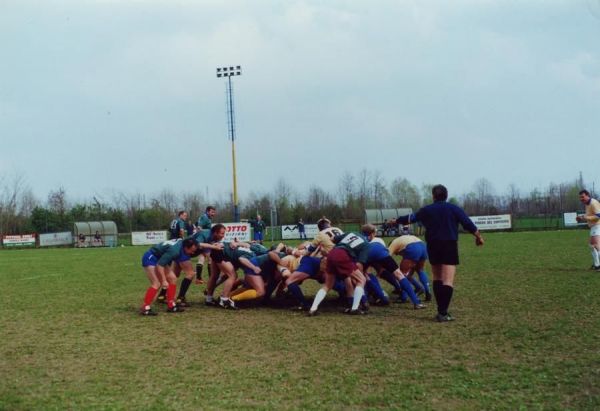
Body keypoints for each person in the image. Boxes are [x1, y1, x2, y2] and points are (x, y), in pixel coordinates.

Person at [395, 184, 483, 322]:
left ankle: (440, 311)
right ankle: (443, 312)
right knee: (448, 280)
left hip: (433, 245)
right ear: (446, 196)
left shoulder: (427, 210)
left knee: (437, 277)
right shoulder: (454, 208)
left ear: (433, 196)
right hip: (449, 244)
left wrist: (396, 221)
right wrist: (478, 237)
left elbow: (411, 218)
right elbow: (468, 224)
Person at [308, 231, 370, 316]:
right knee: (361, 279)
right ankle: (355, 308)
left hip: (331, 254)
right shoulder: (366, 244)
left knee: (328, 285)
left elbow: (333, 239)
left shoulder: (352, 233)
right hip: (343, 255)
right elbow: (359, 264)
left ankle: (313, 309)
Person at [139, 238, 198, 315]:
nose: (193, 253)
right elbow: (160, 265)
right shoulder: (175, 251)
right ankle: (145, 307)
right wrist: (163, 280)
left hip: (159, 258)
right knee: (156, 283)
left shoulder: (184, 243)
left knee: (173, 278)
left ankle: (171, 305)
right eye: (192, 250)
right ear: (186, 247)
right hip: (151, 258)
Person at [173, 224, 226, 307]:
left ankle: (162, 295)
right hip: (183, 251)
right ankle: (180, 298)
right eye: (222, 233)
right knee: (190, 273)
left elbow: (208, 252)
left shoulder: (212, 237)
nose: (223, 236)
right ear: (215, 232)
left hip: (181, 250)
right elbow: (198, 244)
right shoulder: (205, 234)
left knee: (175, 275)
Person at [388, 234, 432, 302]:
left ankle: (403, 296)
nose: (397, 254)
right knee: (420, 270)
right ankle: (427, 292)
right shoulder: (402, 240)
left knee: (402, 274)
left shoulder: (393, 244)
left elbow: (386, 257)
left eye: (396, 253)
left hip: (412, 248)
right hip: (423, 246)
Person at [576, 190, 600, 271]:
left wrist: (586, 218)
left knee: (595, 245)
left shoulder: (593, 203)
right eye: (580, 197)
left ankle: (597, 265)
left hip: (597, 225)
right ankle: (596, 265)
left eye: (582, 197)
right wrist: (582, 217)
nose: (581, 199)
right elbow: (589, 215)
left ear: (587, 195)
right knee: (593, 245)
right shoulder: (587, 204)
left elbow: (598, 216)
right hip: (594, 226)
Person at [195, 206, 217, 282]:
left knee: (202, 258)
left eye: (214, 212)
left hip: (202, 240)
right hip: (204, 240)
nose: (213, 213)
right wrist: (203, 235)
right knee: (210, 259)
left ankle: (198, 278)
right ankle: (211, 278)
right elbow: (199, 228)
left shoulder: (204, 217)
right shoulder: (205, 218)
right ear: (208, 211)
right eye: (212, 212)